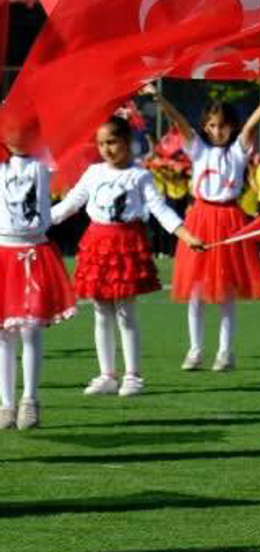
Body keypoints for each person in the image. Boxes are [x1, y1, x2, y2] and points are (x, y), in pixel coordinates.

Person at [52, 116, 204, 397]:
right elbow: (70, 204)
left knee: (126, 314)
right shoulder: (94, 172)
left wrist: (186, 235)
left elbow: (160, 210)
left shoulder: (140, 174)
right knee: (101, 313)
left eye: (112, 142)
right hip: (97, 245)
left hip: (126, 245)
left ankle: (132, 376)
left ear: (126, 142)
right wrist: (34, 225)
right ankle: (107, 375)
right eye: (101, 143)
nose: (106, 149)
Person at [149, 83, 260, 372]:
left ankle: (225, 352)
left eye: (223, 125)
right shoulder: (197, 148)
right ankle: (195, 349)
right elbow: (180, 122)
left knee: (226, 293)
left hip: (229, 221)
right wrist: (159, 98)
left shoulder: (238, 151)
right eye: (211, 125)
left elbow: (252, 125)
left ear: (231, 127)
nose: (217, 130)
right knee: (196, 291)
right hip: (199, 219)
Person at [0, 141, 77, 430]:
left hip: (35, 251)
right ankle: (5, 404)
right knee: (4, 334)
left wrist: (53, 216)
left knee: (30, 329)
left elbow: (72, 135)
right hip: (3, 253)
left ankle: (30, 400)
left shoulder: (44, 158)